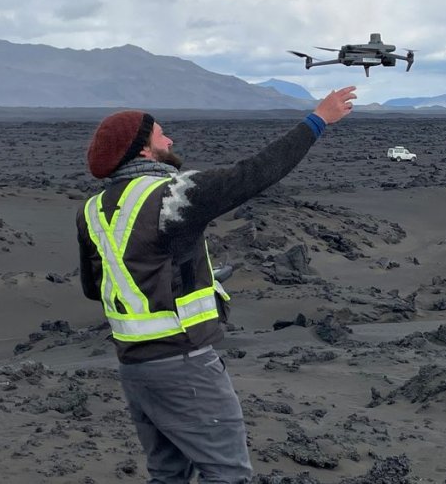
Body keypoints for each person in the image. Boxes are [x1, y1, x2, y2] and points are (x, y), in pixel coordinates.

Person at [76, 86, 357, 483]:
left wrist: (188, 276)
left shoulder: (92, 209)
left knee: (168, 474)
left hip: (135, 370)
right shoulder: (172, 196)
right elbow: (255, 173)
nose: (169, 140)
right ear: (142, 150)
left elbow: (98, 286)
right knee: (228, 475)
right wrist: (318, 119)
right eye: (160, 135)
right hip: (184, 367)